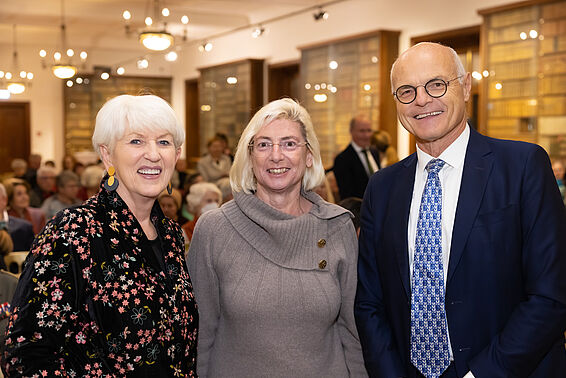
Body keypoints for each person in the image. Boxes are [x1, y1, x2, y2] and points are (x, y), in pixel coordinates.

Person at [355, 42, 566, 378]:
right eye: (406, 91)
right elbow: (369, 303)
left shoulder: (522, 166)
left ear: (466, 86)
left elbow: (550, 293)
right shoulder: (382, 187)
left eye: (436, 84)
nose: (422, 100)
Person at [2, 94, 198, 376]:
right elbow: (26, 355)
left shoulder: (171, 236)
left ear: (176, 155)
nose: (154, 154)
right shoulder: (71, 231)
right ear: (107, 154)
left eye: (164, 142)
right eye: (136, 140)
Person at [188, 98, 367, 377]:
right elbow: (200, 337)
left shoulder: (338, 226)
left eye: (289, 143)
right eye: (263, 144)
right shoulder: (214, 229)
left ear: (309, 156)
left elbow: (352, 334)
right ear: (249, 156)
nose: (276, 155)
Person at [333, 116, 380, 199]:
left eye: (369, 130)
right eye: (362, 131)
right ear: (351, 132)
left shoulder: (374, 152)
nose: (366, 135)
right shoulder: (342, 159)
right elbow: (347, 195)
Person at [0, 183, 34, 252]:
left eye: (26, 193)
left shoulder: (24, 227)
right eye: (19, 194)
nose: (24, 197)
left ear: (4, 200)